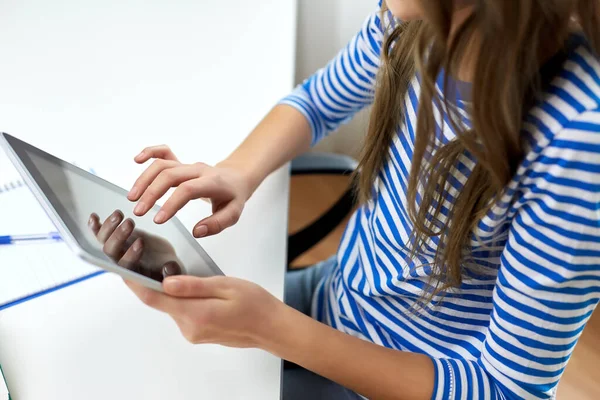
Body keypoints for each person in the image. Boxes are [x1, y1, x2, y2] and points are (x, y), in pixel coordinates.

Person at [92, 1, 600, 398]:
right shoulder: (413, 18)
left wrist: (273, 329)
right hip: (341, 295)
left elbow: (503, 388)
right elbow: (317, 100)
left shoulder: (577, 142)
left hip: (402, 377)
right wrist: (236, 171)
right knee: (144, 341)